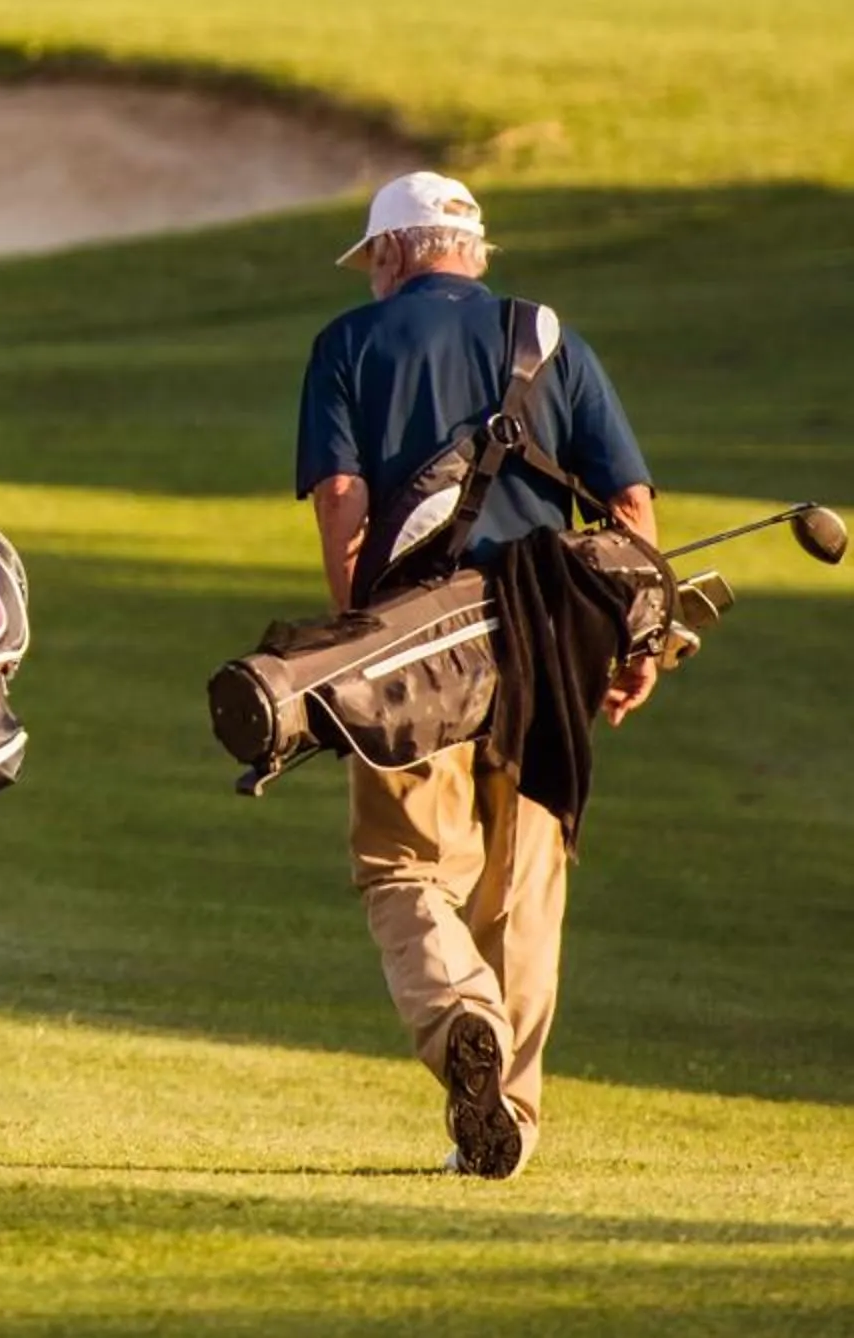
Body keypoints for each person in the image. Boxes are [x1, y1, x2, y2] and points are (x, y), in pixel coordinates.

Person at [296, 170, 660, 1179]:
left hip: (413, 648)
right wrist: (639, 643)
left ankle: (462, 1024)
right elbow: (630, 508)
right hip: (548, 641)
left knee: (402, 867)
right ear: (471, 251)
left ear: (392, 252)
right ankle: (506, 1125)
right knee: (523, 889)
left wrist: (350, 631)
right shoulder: (548, 336)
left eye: (373, 258)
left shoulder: (349, 344)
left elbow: (339, 497)